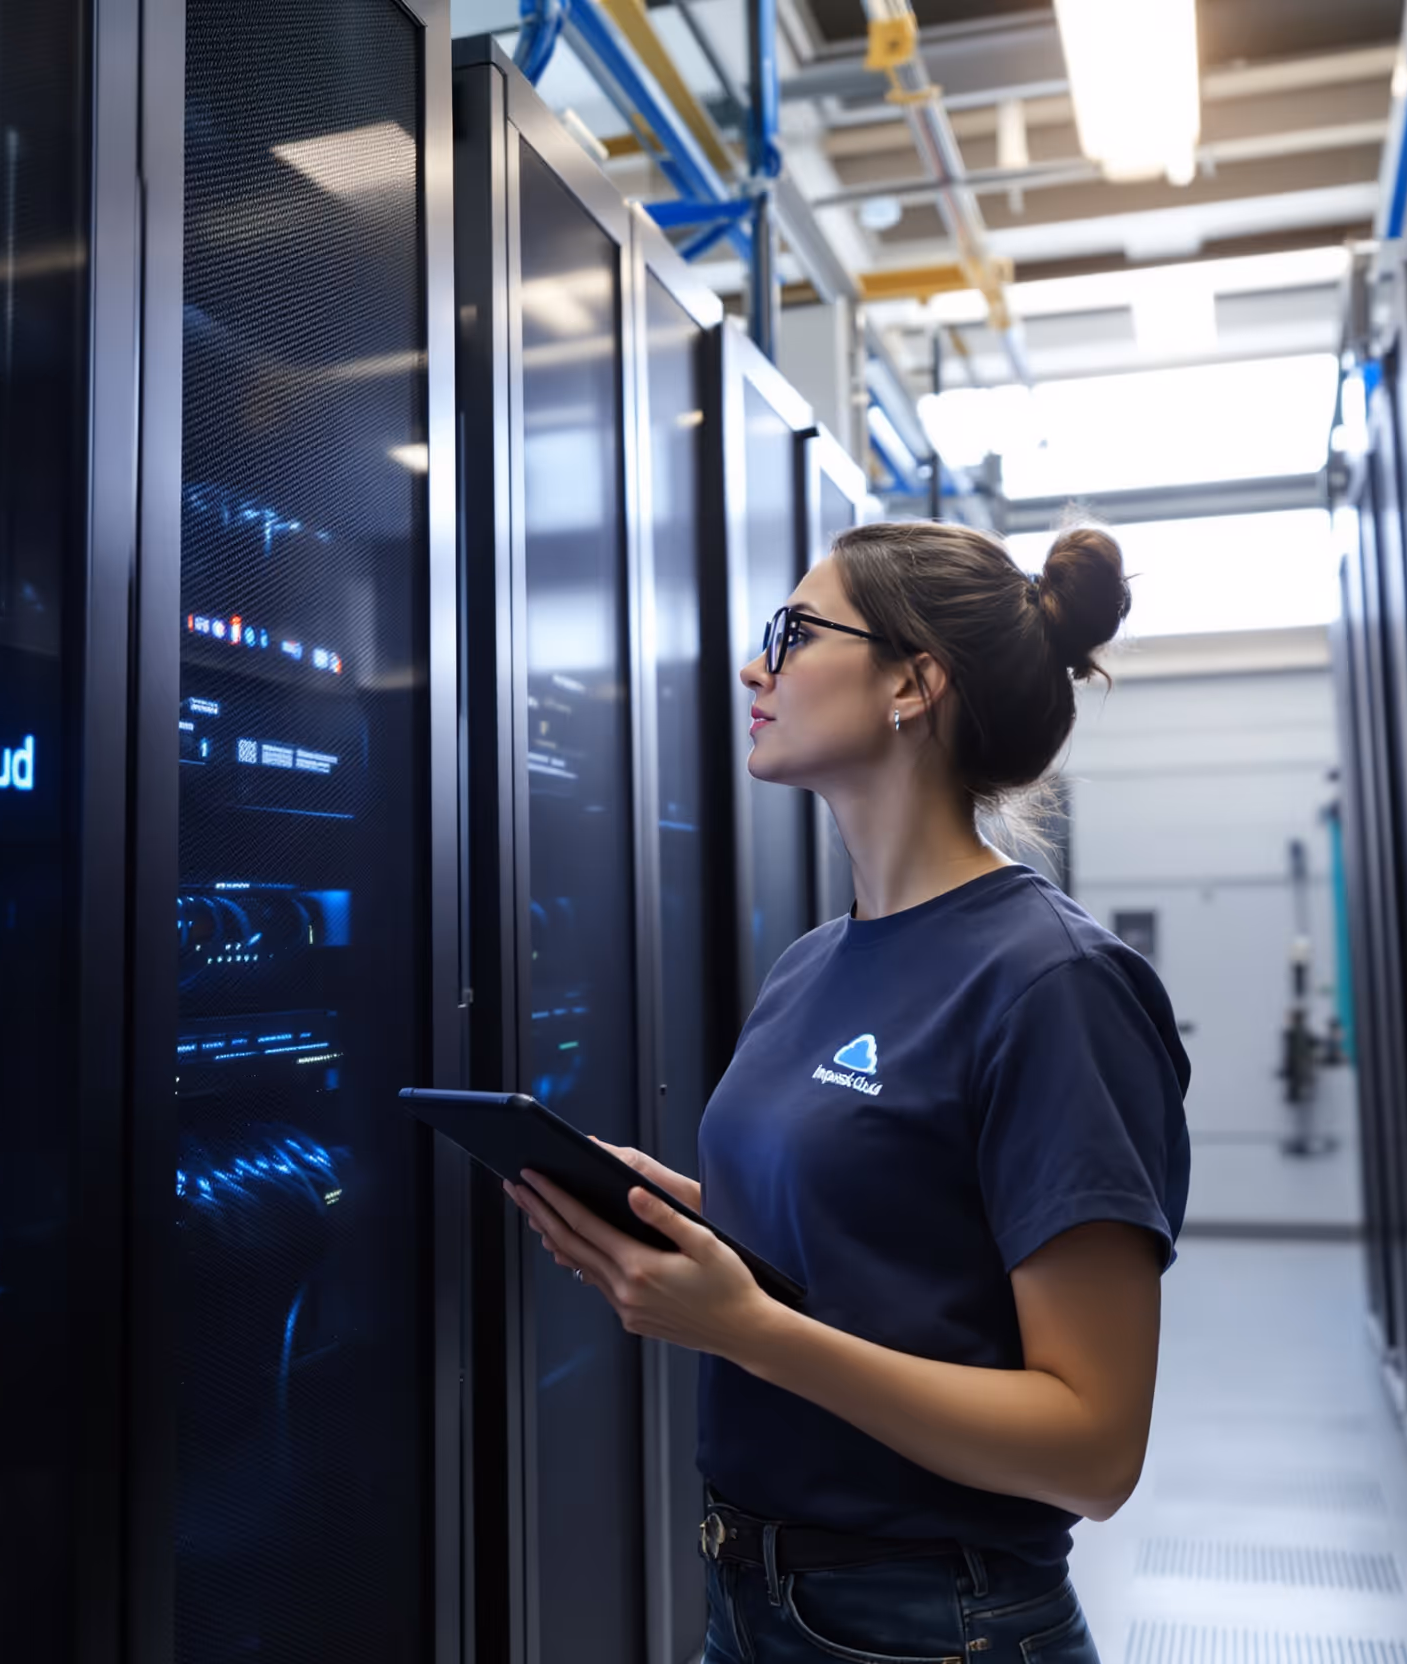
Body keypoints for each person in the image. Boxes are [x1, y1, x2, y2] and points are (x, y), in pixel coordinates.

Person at [505, 520, 1190, 1664]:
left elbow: (1093, 1445)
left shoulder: (1054, 984)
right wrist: (679, 1220)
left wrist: (750, 1331)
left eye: (795, 631)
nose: (753, 666)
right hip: (747, 1593)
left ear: (913, 682)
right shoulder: (814, 962)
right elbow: (871, 1247)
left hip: (936, 1623)